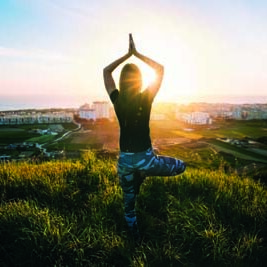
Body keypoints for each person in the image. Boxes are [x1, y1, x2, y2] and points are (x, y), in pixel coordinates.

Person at [103, 34, 186, 240]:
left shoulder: (117, 100)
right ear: (140, 81)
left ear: (122, 81)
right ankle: (144, 172)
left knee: (128, 202)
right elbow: (160, 70)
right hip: (147, 159)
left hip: (124, 161)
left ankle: (133, 234)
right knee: (181, 166)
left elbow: (106, 71)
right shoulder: (145, 98)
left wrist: (126, 55)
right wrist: (137, 54)